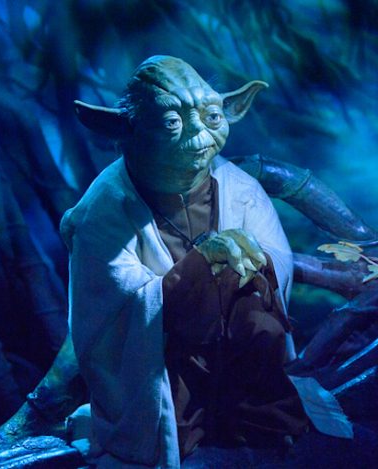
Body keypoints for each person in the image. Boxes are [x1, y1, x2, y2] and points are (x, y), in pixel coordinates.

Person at [61, 55, 308, 468]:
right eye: (172, 121)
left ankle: (259, 419)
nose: (198, 134)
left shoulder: (240, 189)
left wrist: (250, 264)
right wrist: (195, 270)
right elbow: (110, 306)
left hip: (238, 348)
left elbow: (275, 262)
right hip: (162, 360)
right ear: (129, 130)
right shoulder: (103, 209)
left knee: (257, 316)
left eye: (211, 116)